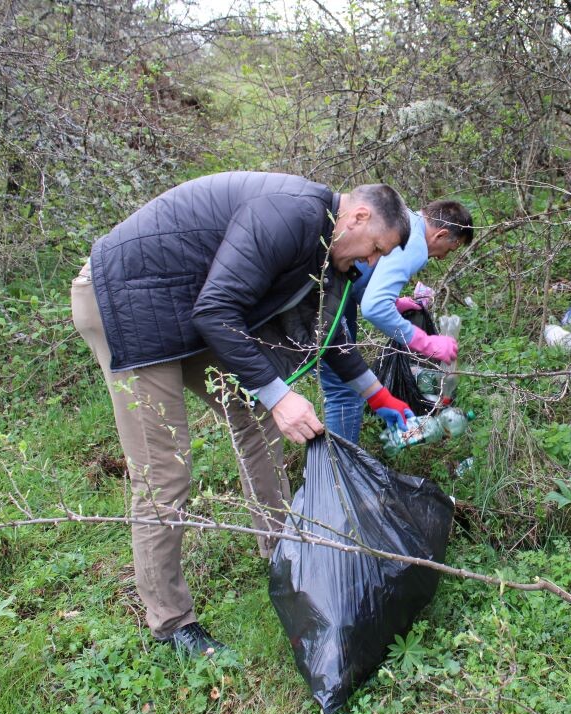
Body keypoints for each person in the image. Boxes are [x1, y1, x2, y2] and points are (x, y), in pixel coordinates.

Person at [70, 172, 416, 655]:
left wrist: (377, 394)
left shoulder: (325, 241)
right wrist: (280, 396)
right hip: (127, 303)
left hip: (179, 306)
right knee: (164, 472)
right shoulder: (290, 215)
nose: (372, 261)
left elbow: (327, 328)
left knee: (254, 415)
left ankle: (283, 552)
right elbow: (216, 311)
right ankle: (171, 624)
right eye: (376, 248)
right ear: (357, 217)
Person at [320, 200, 474, 442]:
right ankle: (338, 466)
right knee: (345, 390)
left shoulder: (403, 218)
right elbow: (374, 308)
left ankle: (335, 462)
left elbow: (357, 271)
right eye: (450, 249)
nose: (443, 257)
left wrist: (393, 303)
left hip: (332, 289)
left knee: (343, 387)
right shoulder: (415, 242)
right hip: (324, 294)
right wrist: (427, 343)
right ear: (441, 234)